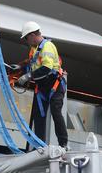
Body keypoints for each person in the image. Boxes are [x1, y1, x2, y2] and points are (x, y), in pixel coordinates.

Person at [9, 21, 68, 149]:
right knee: (38, 115)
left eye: (26, 38)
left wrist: (28, 76)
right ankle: (40, 146)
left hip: (54, 86)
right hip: (42, 87)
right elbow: (31, 61)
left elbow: (46, 68)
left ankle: (63, 144)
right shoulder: (35, 48)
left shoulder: (47, 46)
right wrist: (20, 66)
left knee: (56, 112)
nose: (26, 41)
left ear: (32, 35)